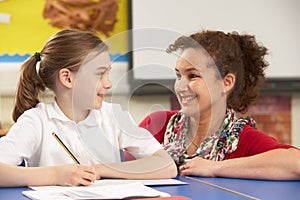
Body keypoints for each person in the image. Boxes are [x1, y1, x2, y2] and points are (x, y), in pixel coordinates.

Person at [0, 29, 177, 187]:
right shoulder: (36, 121)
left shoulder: (113, 116)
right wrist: (55, 175)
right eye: (100, 74)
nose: (109, 84)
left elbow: (167, 166)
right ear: (67, 78)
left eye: (108, 73)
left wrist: (100, 169)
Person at [139, 30, 300, 180]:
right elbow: (119, 162)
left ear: (226, 82)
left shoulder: (242, 139)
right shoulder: (157, 123)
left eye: (193, 76)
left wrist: (214, 168)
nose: (180, 87)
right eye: (178, 75)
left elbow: (296, 163)